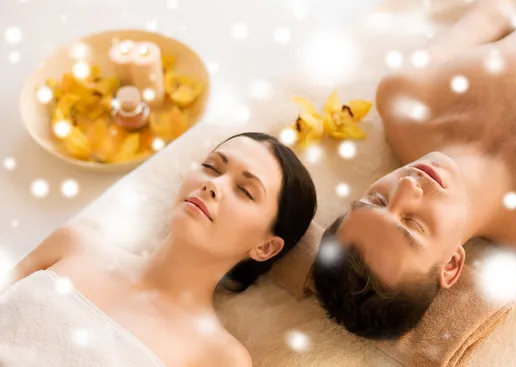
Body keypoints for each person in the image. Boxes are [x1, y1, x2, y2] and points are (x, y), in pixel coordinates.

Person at [312, 0, 516, 340]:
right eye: (413, 224)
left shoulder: (406, 98)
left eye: (375, 200)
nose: (408, 186)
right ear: (451, 265)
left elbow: (498, 11)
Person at [0, 132, 317, 366]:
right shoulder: (73, 244)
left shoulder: (220, 357)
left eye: (245, 191)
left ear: (264, 247)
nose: (213, 185)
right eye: (211, 167)